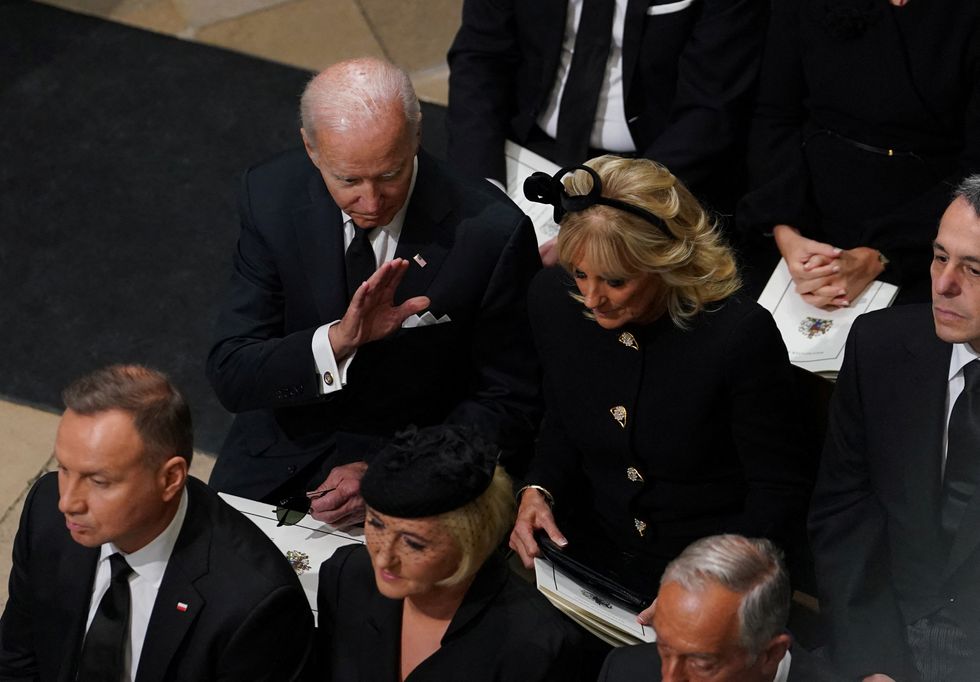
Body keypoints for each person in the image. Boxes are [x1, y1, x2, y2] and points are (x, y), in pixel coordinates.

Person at [205, 57, 541, 523]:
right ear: (311, 148)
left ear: (416, 135)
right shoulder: (270, 195)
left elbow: (511, 400)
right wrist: (336, 342)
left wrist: (395, 472)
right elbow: (233, 371)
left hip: (415, 471)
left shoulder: (490, 232)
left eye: (389, 175)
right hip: (275, 456)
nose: (371, 201)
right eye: (348, 180)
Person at [509, 155, 811, 601]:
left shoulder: (737, 335)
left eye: (616, 282)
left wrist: (709, 587)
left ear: (666, 263)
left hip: (709, 575)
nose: (591, 298)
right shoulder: (553, 300)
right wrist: (539, 489)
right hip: (590, 552)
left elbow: (778, 491)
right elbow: (564, 415)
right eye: (580, 273)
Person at [0, 364, 312, 681]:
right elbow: (17, 659)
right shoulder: (46, 513)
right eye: (65, 469)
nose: (67, 502)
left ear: (170, 479)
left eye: (99, 482)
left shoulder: (252, 603)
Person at [809, 177, 980, 681]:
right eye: (939, 257)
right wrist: (873, 664)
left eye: (974, 269)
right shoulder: (880, 346)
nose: (944, 284)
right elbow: (843, 515)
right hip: (886, 628)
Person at [737, 0, 980, 306]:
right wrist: (784, 230)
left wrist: (879, 255)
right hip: (799, 218)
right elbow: (775, 116)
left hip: (926, 235)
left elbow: (975, 168)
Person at [446, 0, 769, 218]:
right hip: (529, 142)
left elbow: (712, 106)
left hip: (655, 163)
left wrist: (623, 205)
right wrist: (483, 187)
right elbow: (480, 58)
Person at [317, 424, 584, 681]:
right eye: (376, 524)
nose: (384, 558)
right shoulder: (345, 575)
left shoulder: (537, 646)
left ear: (472, 540)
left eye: (413, 543)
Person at [599, 534, 844, 681]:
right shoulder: (625, 670)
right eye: (665, 648)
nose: (670, 678)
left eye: (701, 664)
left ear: (771, 654)